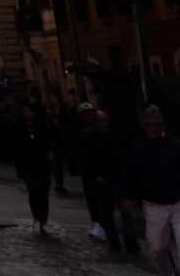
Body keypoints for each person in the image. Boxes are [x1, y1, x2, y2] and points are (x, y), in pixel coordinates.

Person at [125, 105, 180, 274]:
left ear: (162, 125)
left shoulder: (175, 145)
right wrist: (126, 196)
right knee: (157, 247)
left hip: (179, 202)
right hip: (153, 204)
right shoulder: (136, 147)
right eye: (148, 124)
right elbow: (129, 172)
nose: (152, 128)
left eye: (155, 124)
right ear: (142, 125)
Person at [14, 97, 63, 234]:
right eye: (23, 111)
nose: (25, 113)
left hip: (42, 163)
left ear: (33, 113)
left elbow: (51, 141)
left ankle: (44, 221)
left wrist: (51, 152)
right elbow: (15, 145)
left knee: (43, 193)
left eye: (28, 111)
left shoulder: (43, 127)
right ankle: (36, 219)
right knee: (34, 191)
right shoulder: (18, 128)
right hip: (28, 164)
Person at [80, 106, 124, 251]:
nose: (100, 123)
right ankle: (113, 238)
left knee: (124, 209)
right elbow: (87, 159)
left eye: (103, 120)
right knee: (106, 211)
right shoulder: (89, 139)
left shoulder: (116, 137)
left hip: (117, 178)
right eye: (97, 120)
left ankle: (129, 238)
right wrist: (96, 176)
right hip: (102, 180)